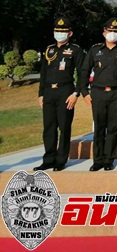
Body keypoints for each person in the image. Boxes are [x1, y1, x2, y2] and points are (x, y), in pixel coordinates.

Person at [78, 18, 117, 171]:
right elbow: (84, 71)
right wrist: (84, 92)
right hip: (98, 92)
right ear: (104, 32)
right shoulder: (95, 50)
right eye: (110, 31)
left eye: (116, 31)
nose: (113, 34)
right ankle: (98, 160)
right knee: (99, 127)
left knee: (113, 127)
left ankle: (109, 160)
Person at [34, 17, 84, 171]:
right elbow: (43, 73)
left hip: (65, 91)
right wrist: (41, 93)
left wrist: (76, 93)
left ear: (70, 33)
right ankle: (48, 159)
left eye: (63, 31)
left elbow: (82, 73)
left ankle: (61, 160)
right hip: (49, 92)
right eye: (57, 31)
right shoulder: (49, 50)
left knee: (64, 127)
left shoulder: (75, 50)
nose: (60, 33)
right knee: (48, 127)